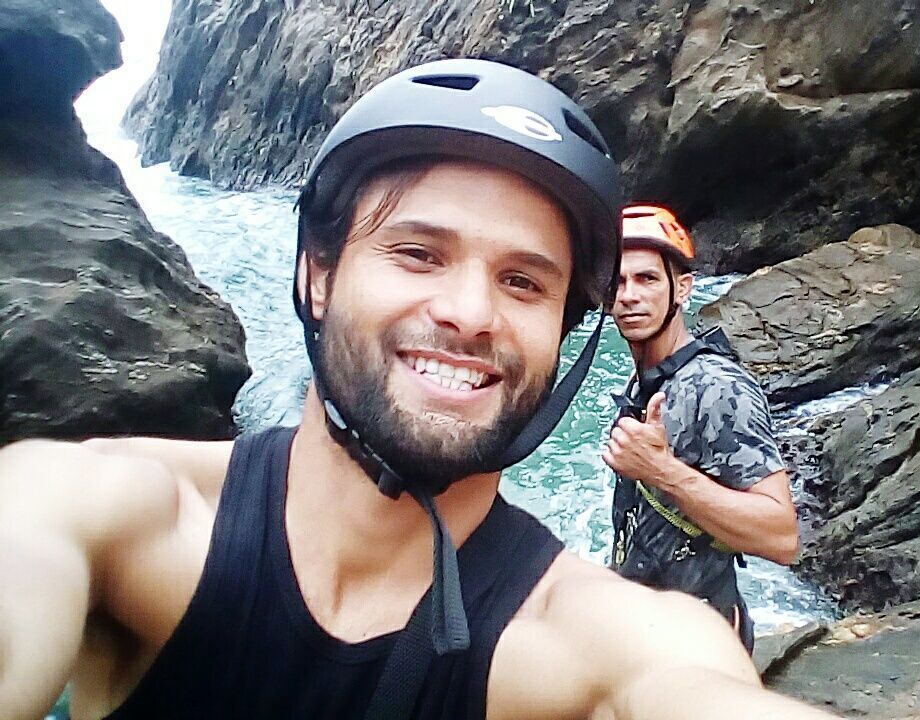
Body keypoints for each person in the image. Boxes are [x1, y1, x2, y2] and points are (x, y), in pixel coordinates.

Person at [0, 59, 841, 720]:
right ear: (317, 275)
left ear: (560, 328)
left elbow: (692, 678)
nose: (471, 313)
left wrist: (663, 474)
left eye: (523, 282)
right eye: (418, 253)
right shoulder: (102, 510)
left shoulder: (608, 638)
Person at [604, 205, 798, 652]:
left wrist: (659, 471)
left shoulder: (716, 386)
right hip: (649, 625)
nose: (629, 295)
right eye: (618, 282)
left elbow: (781, 536)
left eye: (648, 279)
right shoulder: (649, 381)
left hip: (698, 642)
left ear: (683, 288)